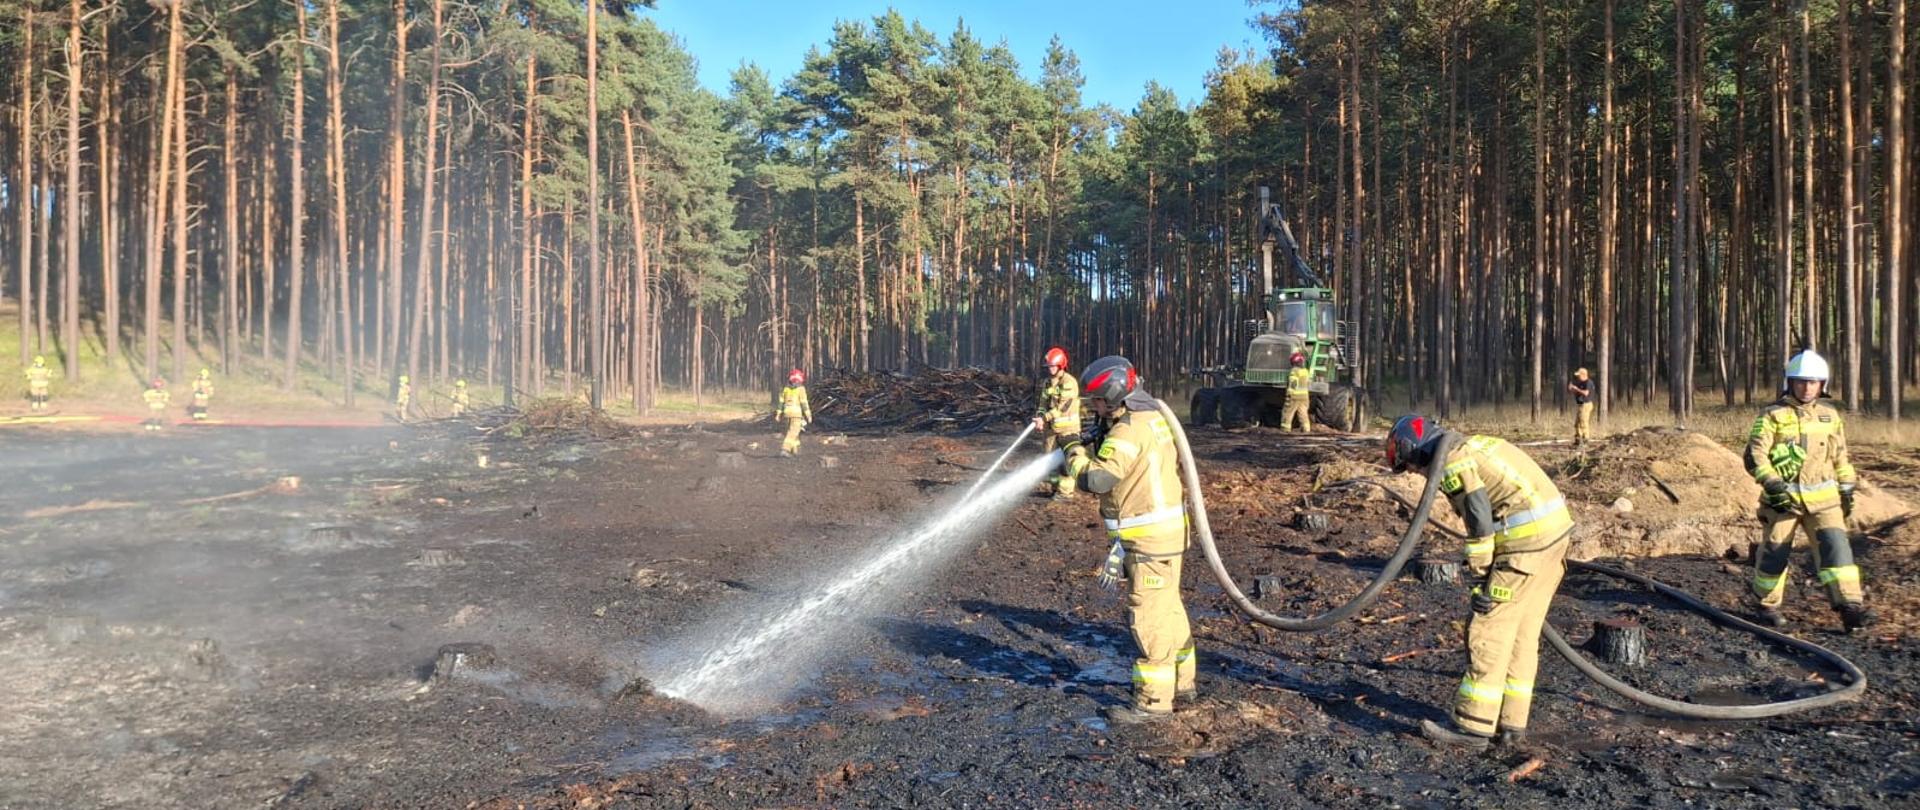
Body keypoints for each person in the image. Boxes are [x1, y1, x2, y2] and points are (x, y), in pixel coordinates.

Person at [1386, 414, 1573, 751]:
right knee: (1522, 635)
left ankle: (1473, 728)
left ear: (1413, 450)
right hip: (1554, 539)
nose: (1417, 474)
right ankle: (1512, 724)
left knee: (1489, 630)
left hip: (1524, 549)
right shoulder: (1479, 444)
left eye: (1412, 468)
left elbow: (1480, 525)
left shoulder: (1454, 463)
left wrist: (1481, 577)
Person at [1061, 355, 1195, 725]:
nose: (1096, 407)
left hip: (1149, 539)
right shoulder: (1150, 417)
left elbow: (1099, 480)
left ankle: (1153, 704)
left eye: (1099, 401)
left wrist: (1073, 451)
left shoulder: (1127, 430)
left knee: (1149, 616)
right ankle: (1183, 683)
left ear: (1115, 395)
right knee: (1168, 608)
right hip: (1166, 534)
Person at [1743, 349, 1875, 631]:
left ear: (1822, 385)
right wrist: (1772, 484)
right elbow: (1755, 456)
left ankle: (1850, 607)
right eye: (1801, 381)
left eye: (1813, 382)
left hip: (1825, 503)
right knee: (1774, 554)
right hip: (1783, 502)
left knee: (1837, 554)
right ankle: (1767, 606)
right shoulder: (1771, 416)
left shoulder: (1830, 417)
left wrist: (1848, 487)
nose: (1806, 387)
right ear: (1789, 383)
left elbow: (1840, 457)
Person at [1033, 347, 1083, 499]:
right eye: (1048, 366)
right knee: (1050, 461)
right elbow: (1042, 403)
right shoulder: (1047, 383)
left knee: (1065, 462)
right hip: (1050, 431)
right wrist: (1039, 417)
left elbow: (1063, 406)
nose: (1050, 369)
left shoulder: (1069, 382)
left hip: (1067, 429)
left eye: (1053, 366)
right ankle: (1055, 488)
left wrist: (1045, 418)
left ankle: (1066, 493)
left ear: (1061, 365)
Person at [779, 369, 812, 457]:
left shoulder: (786, 389)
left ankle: (796, 449)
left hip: (786, 414)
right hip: (796, 414)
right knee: (793, 432)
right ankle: (785, 449)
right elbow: (804, 403)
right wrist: (808, 415)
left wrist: (778, 414)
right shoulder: (801, 389)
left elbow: (781, 402)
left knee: (792, 431)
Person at [1282, 352, 1312, 433]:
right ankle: (1306, 430)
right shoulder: (1305, 371)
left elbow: (1293, 384)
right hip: (1304, 397)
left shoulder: (1294, 371)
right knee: (1303, 414)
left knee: (1287, 413)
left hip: (1294, 396)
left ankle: (1285, 429)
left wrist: (1288, 395)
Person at [1567, 368, 1594, 447]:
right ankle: (1578, 440)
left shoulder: (1588, 382)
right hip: (1580, 405)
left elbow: (1586, 393)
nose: (1578, 377)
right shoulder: (1580, 383)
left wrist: (1577, 389)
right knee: (1577, 423)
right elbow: (1576, 392)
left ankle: (1585, 440)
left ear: (1583, 375)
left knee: (1583, 423)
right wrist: (1571, 389)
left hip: (1586, 404)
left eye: (1579, 376)